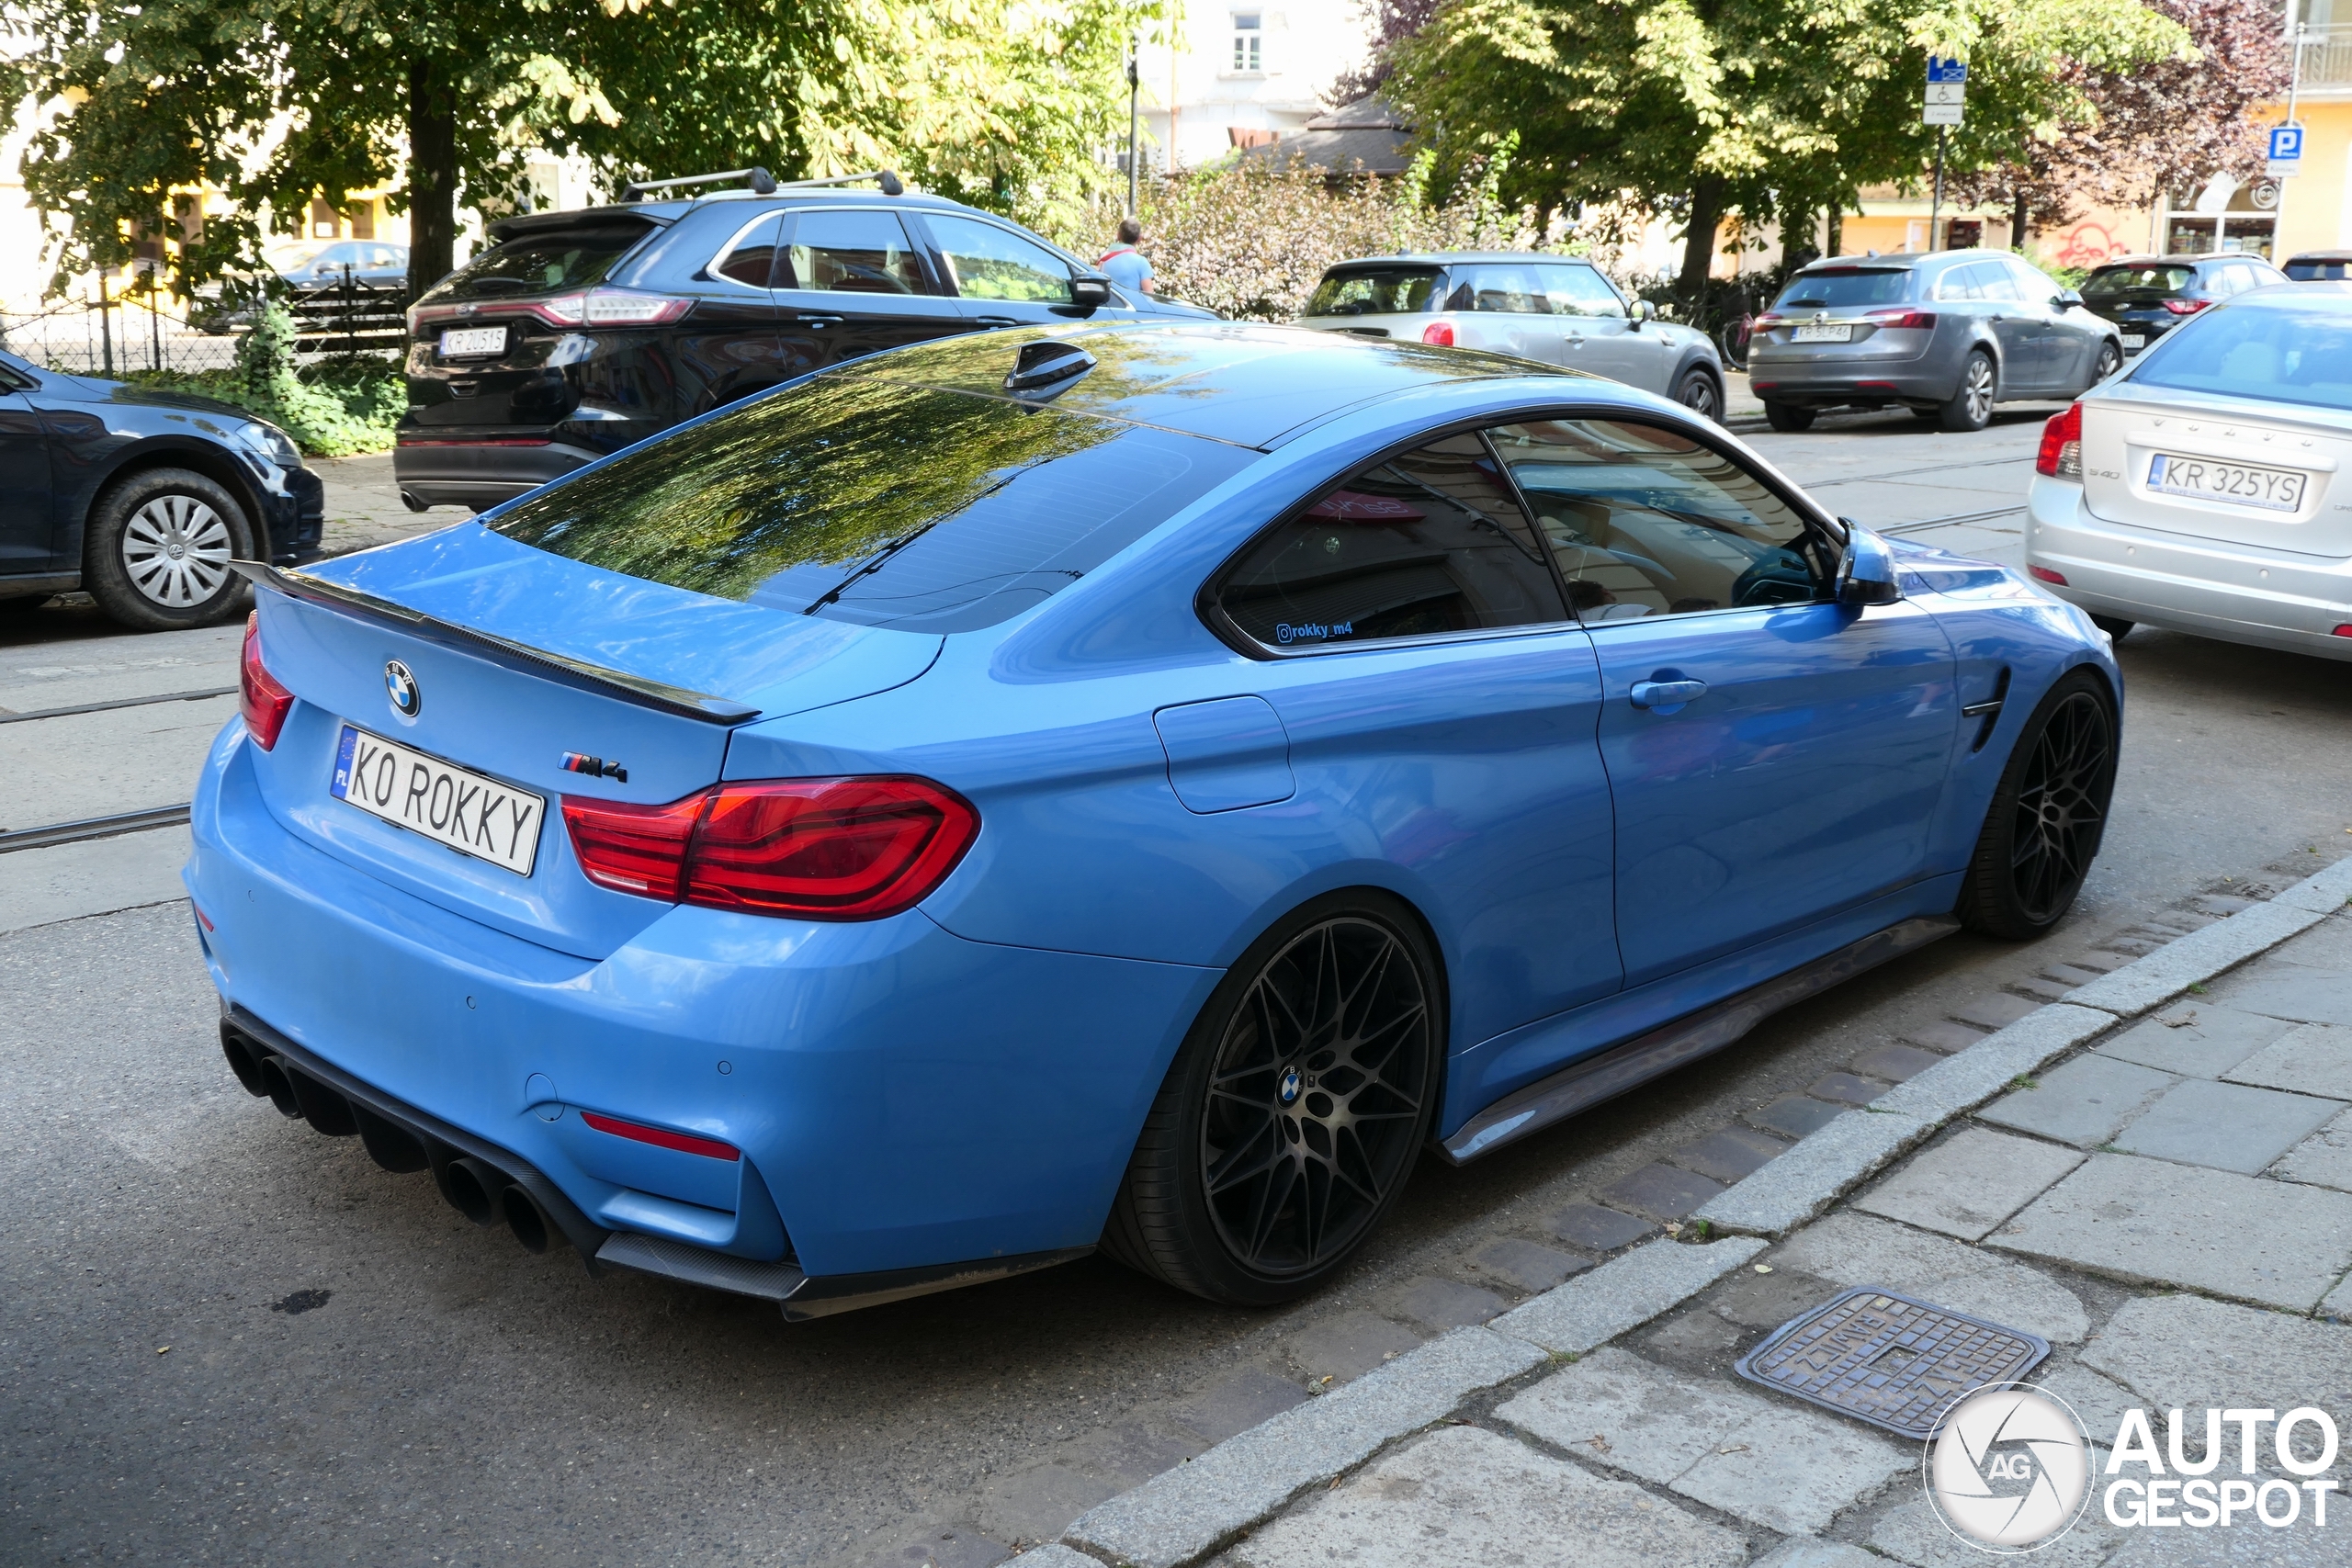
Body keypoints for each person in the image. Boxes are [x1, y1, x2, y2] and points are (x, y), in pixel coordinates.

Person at [1098, 218, 1156, 295]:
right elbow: (1149, 295)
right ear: (1139, 238)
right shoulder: (1141, 262)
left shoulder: (1104, 260)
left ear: (1118, 236)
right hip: (1133, 306)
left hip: (1109, 305)